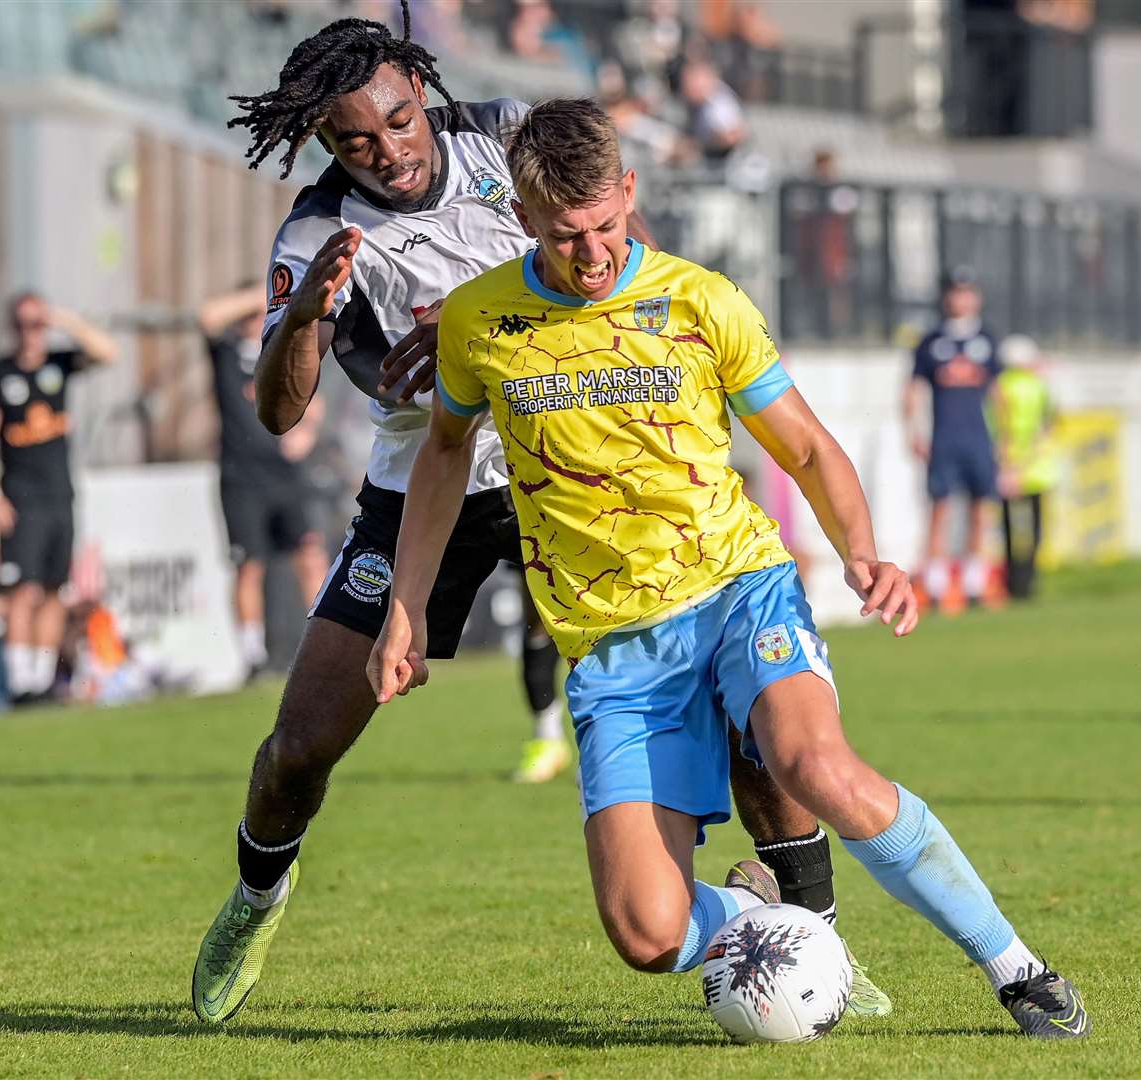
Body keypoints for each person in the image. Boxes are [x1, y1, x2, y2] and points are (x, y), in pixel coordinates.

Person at [191, 6, 888, 1026]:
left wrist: (497, 315)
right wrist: (306, 316)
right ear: (326, 144)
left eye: (395, 122)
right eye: (353, 140)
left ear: (419, 91)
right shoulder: (318, 229)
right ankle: (256, 897)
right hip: (432, 488)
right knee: (301, 742)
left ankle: (820, 943)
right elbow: (278, 405)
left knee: (754, 718)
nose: (383, 151)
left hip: (586, 471)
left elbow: (623, 251)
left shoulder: (505, 131)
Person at [371, 98, 1090, 1041]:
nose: (589, 254)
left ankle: (1016, 968)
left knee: (814, 765)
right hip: (613, 646)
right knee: (645, 933)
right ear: (521, 218)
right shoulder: (479, 320)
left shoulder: (699, 300)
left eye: (604, 226)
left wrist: (863, 555)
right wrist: (405, 610)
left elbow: (806, 447)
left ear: (628, 192)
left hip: (736, 589)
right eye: (562, 235)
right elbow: (443, 457)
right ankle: (765, 918)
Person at [0, 292, 117, 704]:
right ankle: (19, 681)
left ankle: (41, 678)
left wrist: (63, 319)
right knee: (23, 590)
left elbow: (108, 352)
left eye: (37, 324)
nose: (31, 333)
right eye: (23, 324)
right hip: (21, 498)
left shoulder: (59, 364)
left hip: (59, 495)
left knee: (54, 589)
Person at [198, 284, 331, 680]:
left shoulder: (277, 348)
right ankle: (253, 657)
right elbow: (206, 316)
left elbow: (314, 397)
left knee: (309, 554)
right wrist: (263, 290)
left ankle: (321, 644)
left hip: (286, 478)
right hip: (242, 479)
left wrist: (307, 431)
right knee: (249, 567)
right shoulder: (226, 352)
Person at [904, 271, 1002, 611]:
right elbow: (913, 389)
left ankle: (975, 582)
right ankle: (935, 583)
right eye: (956, 293)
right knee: (940, 507)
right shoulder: (931, 341)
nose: (962, 300)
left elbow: (998, 392)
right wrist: (914, 432)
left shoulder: (987, 340)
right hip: (944, 438)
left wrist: (1003, 439)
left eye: (968, 292)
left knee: (980, 506)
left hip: (978, 438)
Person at [993, 334, 1057, 600]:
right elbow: (1047, 424)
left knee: (1009, 527)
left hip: (1008, 463)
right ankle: (1029, 582)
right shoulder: (1040, 385)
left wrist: (1008, 467)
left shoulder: (1000, 385)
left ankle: (1013, 583)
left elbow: (999, 427)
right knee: (1035, 528)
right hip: (1037, 465)